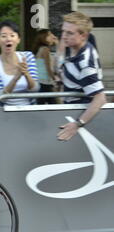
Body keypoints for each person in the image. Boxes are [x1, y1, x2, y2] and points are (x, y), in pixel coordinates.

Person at [57, 12, 106, 141]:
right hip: (69, 109)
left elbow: (100, 98)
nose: (64, 36)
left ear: (83, 36)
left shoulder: (85, 64)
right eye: (63, 31)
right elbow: (58, 68)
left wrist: (77, 124)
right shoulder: (72, 45)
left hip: (79, 115)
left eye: (69, 33)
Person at [0, 20, 39, 106]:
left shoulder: (27, 57)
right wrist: (16, 78)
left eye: (12, 35)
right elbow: (0, 96)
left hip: (29, 111)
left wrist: (26, 74)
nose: (8, 39)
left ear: (18, 39)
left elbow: (36, 89)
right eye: (3, 36)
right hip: (3, 113)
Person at [32, 29, 59, 104]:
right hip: (46, 83)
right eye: (49, 34)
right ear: (44, 37)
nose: (52, 36)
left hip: (40, 82)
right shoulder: (45, 49)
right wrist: (54, 79)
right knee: (55, 106)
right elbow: (48, 67)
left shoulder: (40, 49)